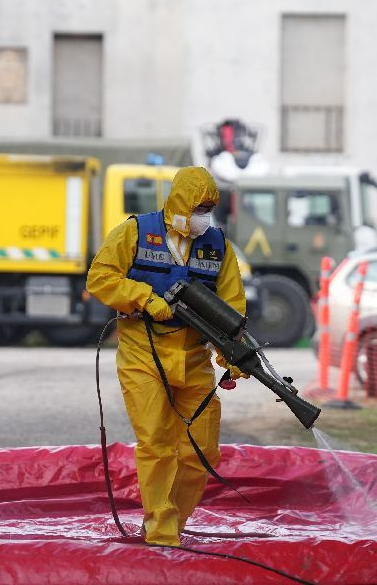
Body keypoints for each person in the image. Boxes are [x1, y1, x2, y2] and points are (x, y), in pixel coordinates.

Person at [86, 166, 247, 546]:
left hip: (194, 358)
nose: (202, 216)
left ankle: (177, 516)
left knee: (202, 449)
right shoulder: (135, 232)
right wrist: (144, 297)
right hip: (144, 355)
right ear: (179, 201)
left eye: (208, 208)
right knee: (157, 444)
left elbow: (232, 305)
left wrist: (233, 354)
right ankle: (160, 528)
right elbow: (100, 277)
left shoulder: (217, 246)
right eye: (198, 207)